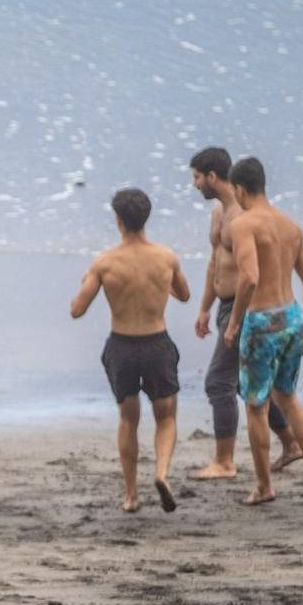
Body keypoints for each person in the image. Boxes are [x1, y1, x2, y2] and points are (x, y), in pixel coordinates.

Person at [70, 187, 190, 513]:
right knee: (165, 417)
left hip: (122, 346)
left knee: (128, 419)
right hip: (157, 343)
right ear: (146, 218)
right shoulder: (166, 257)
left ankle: (131, 495)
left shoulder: (105, 263)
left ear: (118, 220)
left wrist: (87, 279)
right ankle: (162, 473)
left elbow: (77, 310)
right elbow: (184, 294)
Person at [188, 147, 298, 481]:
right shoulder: (218, 214)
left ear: (212, 176)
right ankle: (291, 444)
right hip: (223, 306)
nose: (193, 185)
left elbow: (254, 272)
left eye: (196, 177)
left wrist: (237, 319)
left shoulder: (242, 215)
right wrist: (205, 307)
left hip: (242, 306)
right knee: (241, 384)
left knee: (218, 383)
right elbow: (215, 263)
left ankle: (224, 462)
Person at [224, 157, 303, 505]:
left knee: (256, 406)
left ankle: (264, 486)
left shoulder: (243, 224)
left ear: (238, 189)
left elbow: (250, 277)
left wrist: (235, 322)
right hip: (293, 316)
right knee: (288, 396)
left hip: (262, 321)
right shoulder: (291, 226)